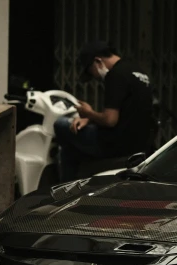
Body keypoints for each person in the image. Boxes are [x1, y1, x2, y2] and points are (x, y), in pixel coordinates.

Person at [54, 41, 154, 180]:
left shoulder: (115, 75)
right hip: (139, 143)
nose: (95, 77)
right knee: (70, 150)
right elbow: (126, 113)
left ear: (98, 61)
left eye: (91, 71)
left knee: (61, 125)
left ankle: (64, 190)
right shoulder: (138, 72)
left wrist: (87, 112)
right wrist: (90, 119)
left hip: (116, 144)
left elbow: (110, 120)